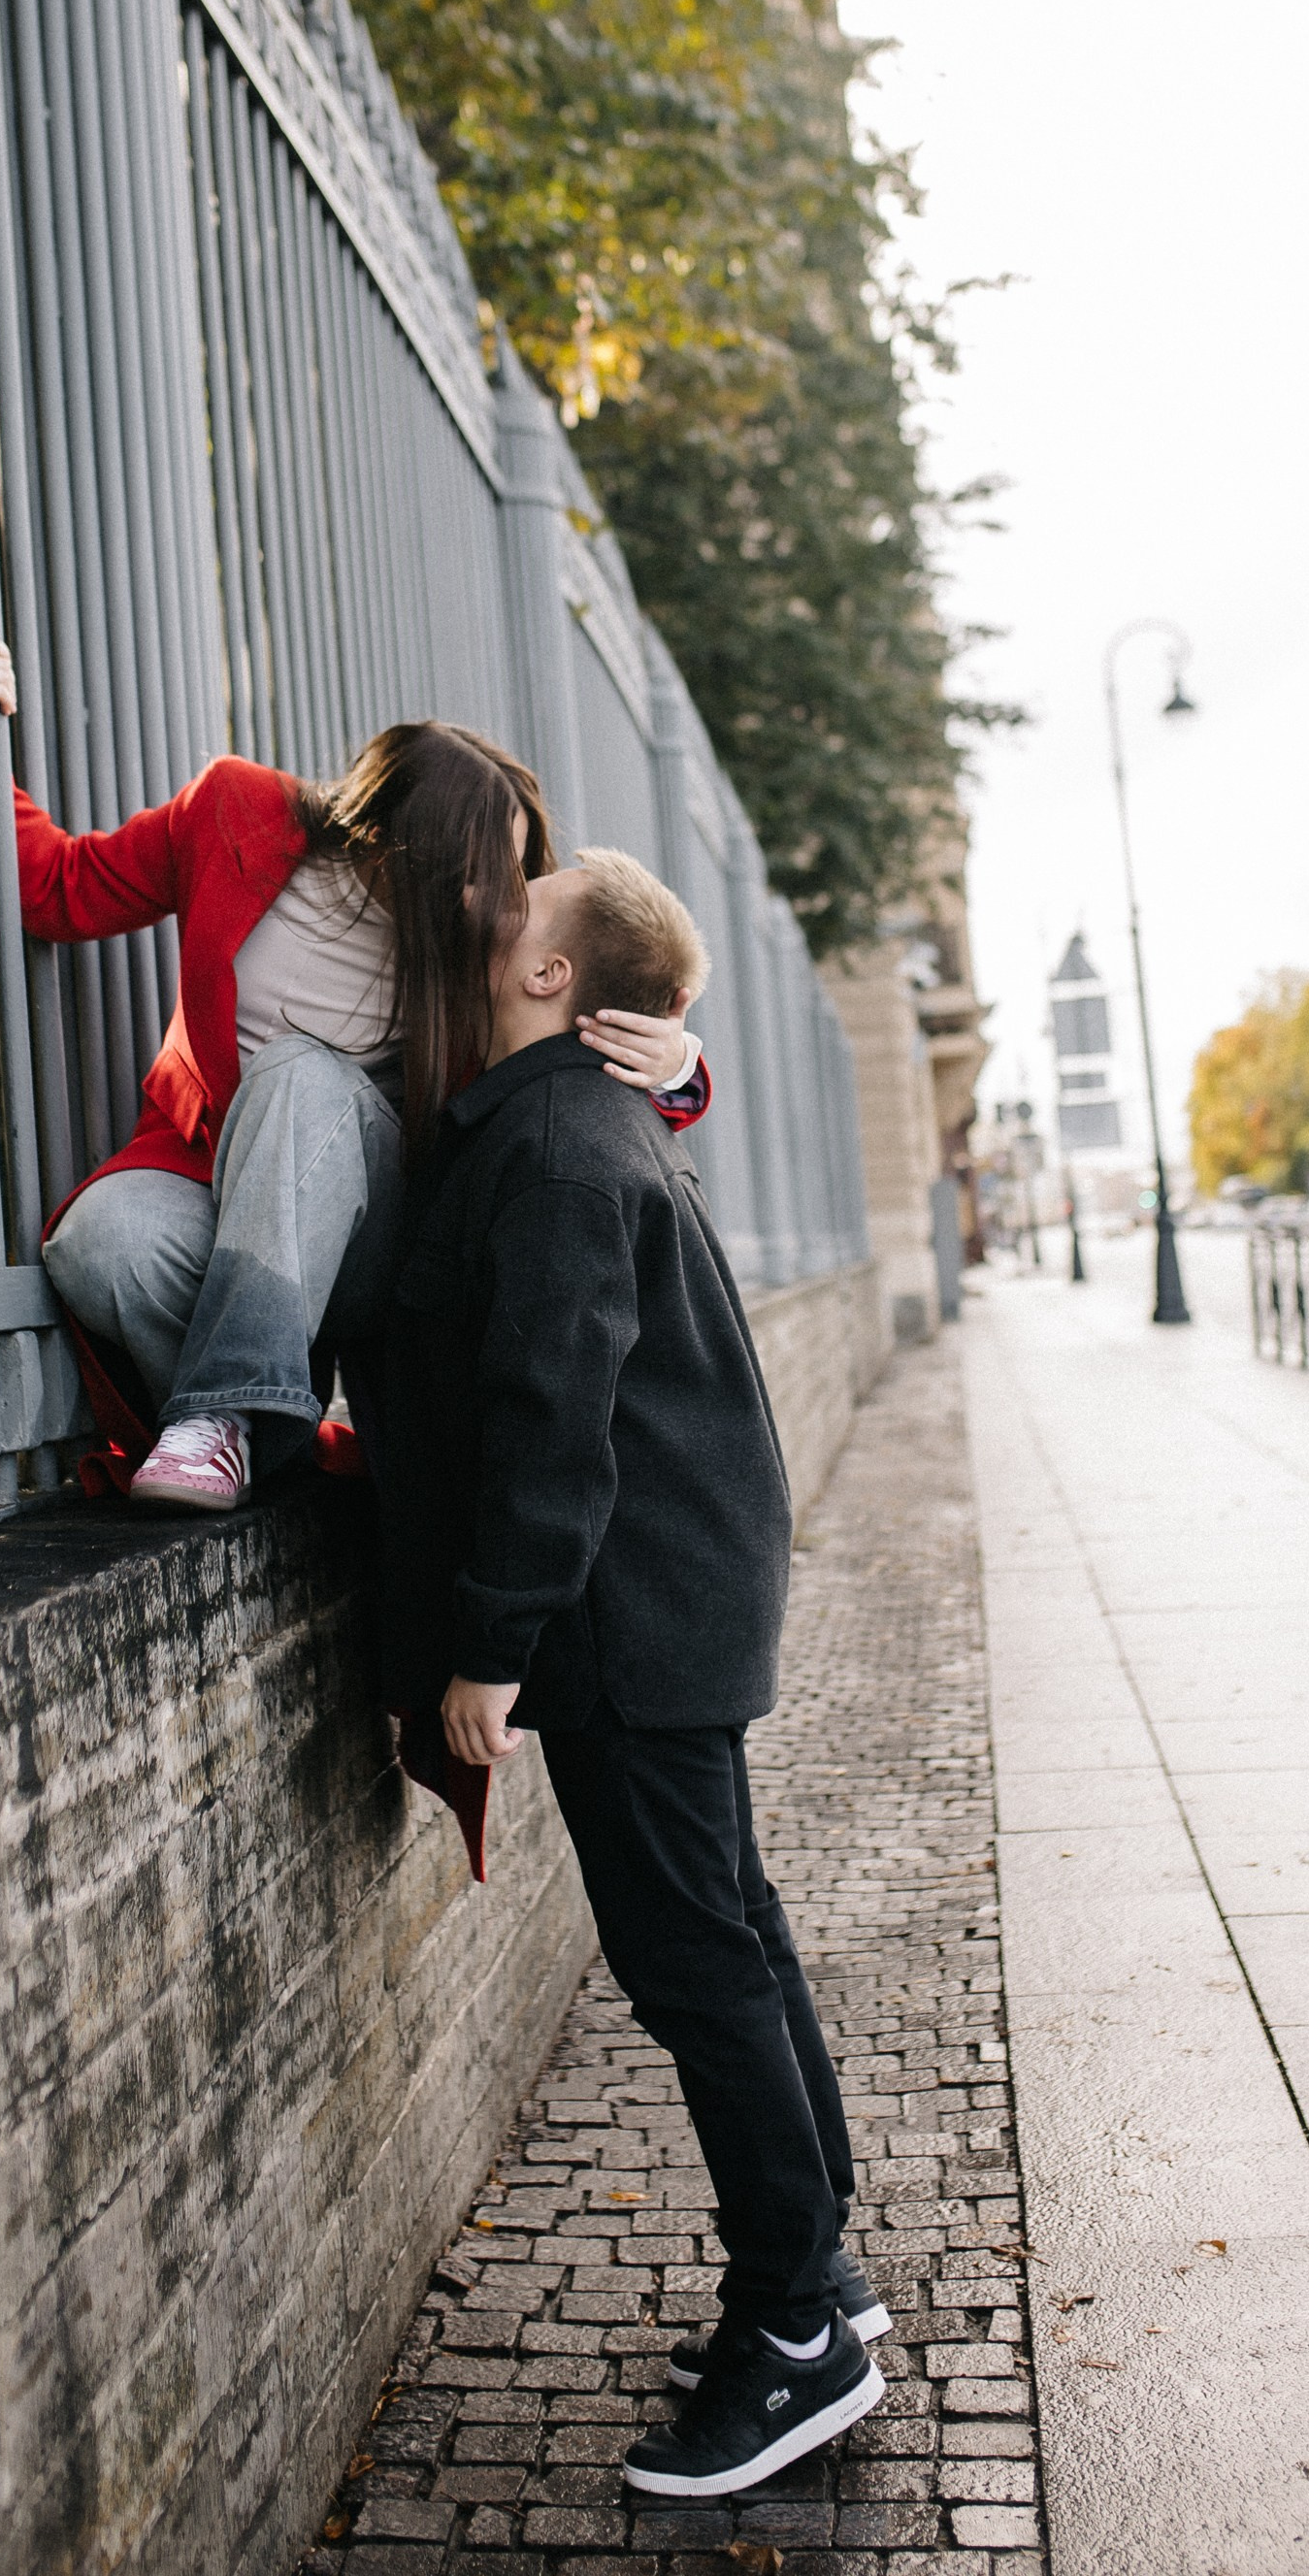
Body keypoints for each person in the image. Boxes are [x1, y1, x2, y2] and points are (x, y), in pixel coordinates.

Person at [378, 847, 888, 2498]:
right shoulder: (590, 1124)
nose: (487, 914)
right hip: (669, 1601)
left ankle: (796, 2327)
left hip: (625, 1621)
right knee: (729, 1937)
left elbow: (554, 1412)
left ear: (551, 983)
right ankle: (820, 2271)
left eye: (515, 914)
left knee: (693, 1966)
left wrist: (486, 1647)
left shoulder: (559, 1142)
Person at [0, 637, 708, 1506]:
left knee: (301, 1073)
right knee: (98, 1244)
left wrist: (676, 1065)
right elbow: (62, 885)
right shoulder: (233, 813)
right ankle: (268, 1443)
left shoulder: (481, 950)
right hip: (209, 1176)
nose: (496, 897)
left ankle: (220, 1418)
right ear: (388, 841)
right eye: (475, 871)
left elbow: (565, 1060)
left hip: (381, 1231)